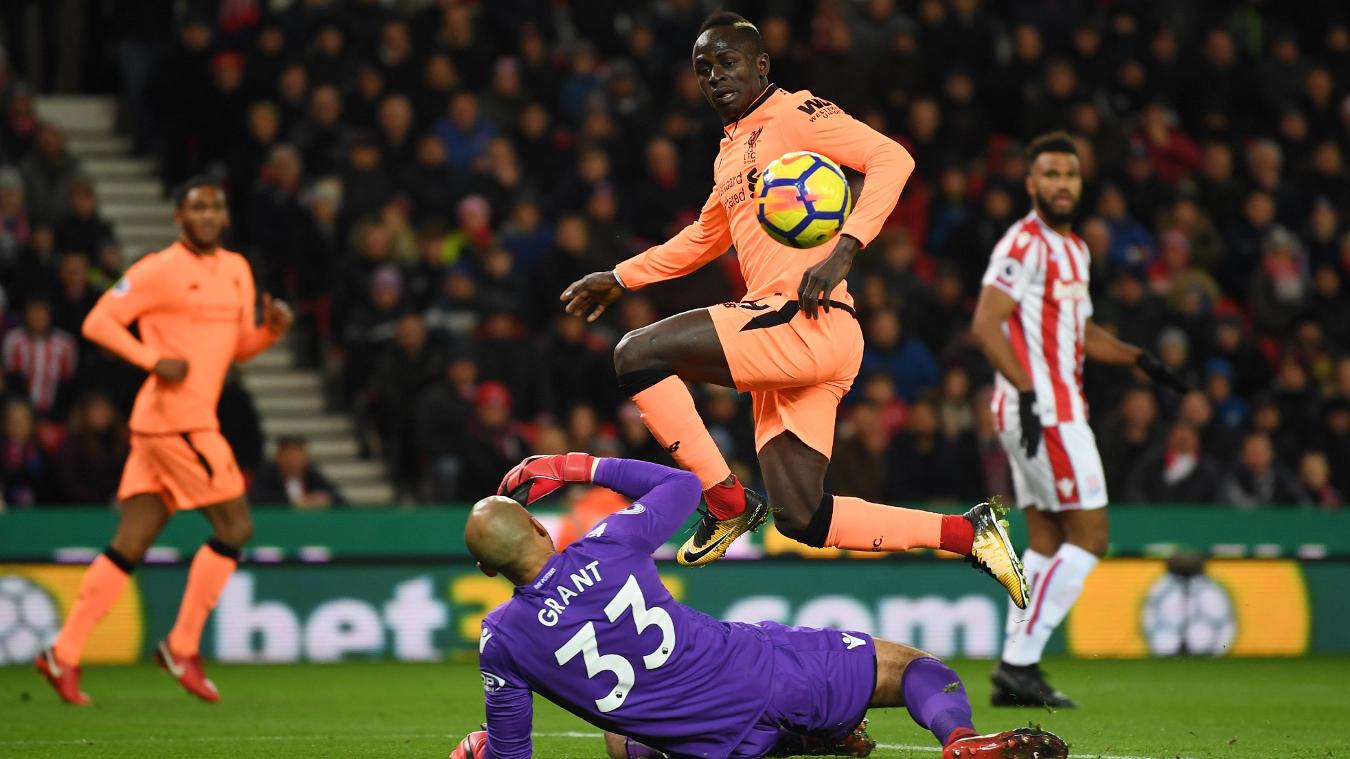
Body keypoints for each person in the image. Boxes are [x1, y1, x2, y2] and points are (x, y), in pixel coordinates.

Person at [559, 12, 1027, 609]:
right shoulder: (730, 150)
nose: (714, 77)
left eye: (727, 63)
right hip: (794, 339)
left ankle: (725, 502)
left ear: (762, 66)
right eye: (704, 69)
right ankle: (968, 533)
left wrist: (844, 253)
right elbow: (705, 238)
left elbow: (893, 159)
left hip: (805, 318)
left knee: (637, 354)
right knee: (802, 516)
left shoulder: (795, 112)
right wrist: (621, 276)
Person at [449, 452, 1068, 759]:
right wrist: (576, 464)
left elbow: (512, 754)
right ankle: (958, 741)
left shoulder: (501, 638)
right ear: (537, 526)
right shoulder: (607, 546)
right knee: (914, 669)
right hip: (761, 675)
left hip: (707, 747)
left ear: (485, 569)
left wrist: (484, 748)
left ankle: (813, 739)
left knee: (620, 740)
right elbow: (686, 485)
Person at [35, 177, 293, 705]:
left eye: (215, 206)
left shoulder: (238, 270)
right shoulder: (157, 270)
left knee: (131, 542)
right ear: (179, 216)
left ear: (223, 217)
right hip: (179, 421)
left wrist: (269, 333)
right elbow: (98, 321)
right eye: (196, 206)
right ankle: (181, 645)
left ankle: (63, 652)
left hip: (170, 423)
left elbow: (233, 346)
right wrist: (151, 360)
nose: (207, 214)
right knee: (236, 524)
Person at [969, 132, 1189, 708]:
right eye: (1050, 174)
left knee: (1046, 540)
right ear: (1031, 183)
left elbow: (1081, 332)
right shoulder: (1024, 243)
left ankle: (1014, 666)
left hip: (1050, 407)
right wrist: (1028, 393)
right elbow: (986, 325)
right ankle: (1019, 663)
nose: (1061, 184)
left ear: (1079, 183)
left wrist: (1140, 359)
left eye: (1069, 175)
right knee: (1092, 537)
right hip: (1044, 409)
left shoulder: (1075, 250)